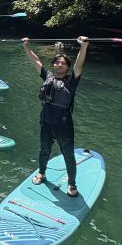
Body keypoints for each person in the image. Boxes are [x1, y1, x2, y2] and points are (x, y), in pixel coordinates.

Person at [21, 36, 89, 198]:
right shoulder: (48, 77)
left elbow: (79, 64)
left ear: (67, 67)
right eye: (57, 62)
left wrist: (83, 46)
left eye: (63, 63)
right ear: (53, 65)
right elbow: (35, 61)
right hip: (46, 118)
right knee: (44, 149)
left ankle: (72, 184)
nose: (59, 65)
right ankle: (42, 173)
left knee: (68, 153)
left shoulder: (72, 81)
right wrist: (26, 47)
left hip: (63, 121)